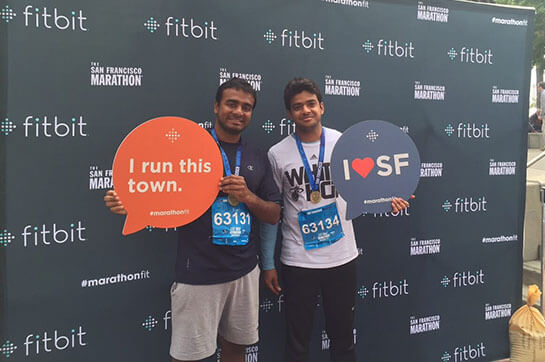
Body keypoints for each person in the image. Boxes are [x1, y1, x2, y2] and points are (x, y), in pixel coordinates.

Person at [104, 78, 282, 362]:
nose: (238, 112)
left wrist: (248, 196)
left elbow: (274, 213)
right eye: (232, 104)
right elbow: (155, 188)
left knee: (237, 348)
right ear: (216, 106)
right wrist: (130, 204)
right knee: (189, 357)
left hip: (245, 271)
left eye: (246, 107)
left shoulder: (257, 155)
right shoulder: (186, 148)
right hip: (198, 274)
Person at [260, 78, 410, 362]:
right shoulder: (277, 154)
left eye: (310, 104)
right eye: (297, 106)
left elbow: (363, 191)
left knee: (343, 339)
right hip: (297, 260)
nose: (305, 110)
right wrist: (268, 262)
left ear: (322, 107)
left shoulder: (344, 142)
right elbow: (272, 210)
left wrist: (387, 202)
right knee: (297, 341)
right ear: (289, 114)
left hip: (341, 258)